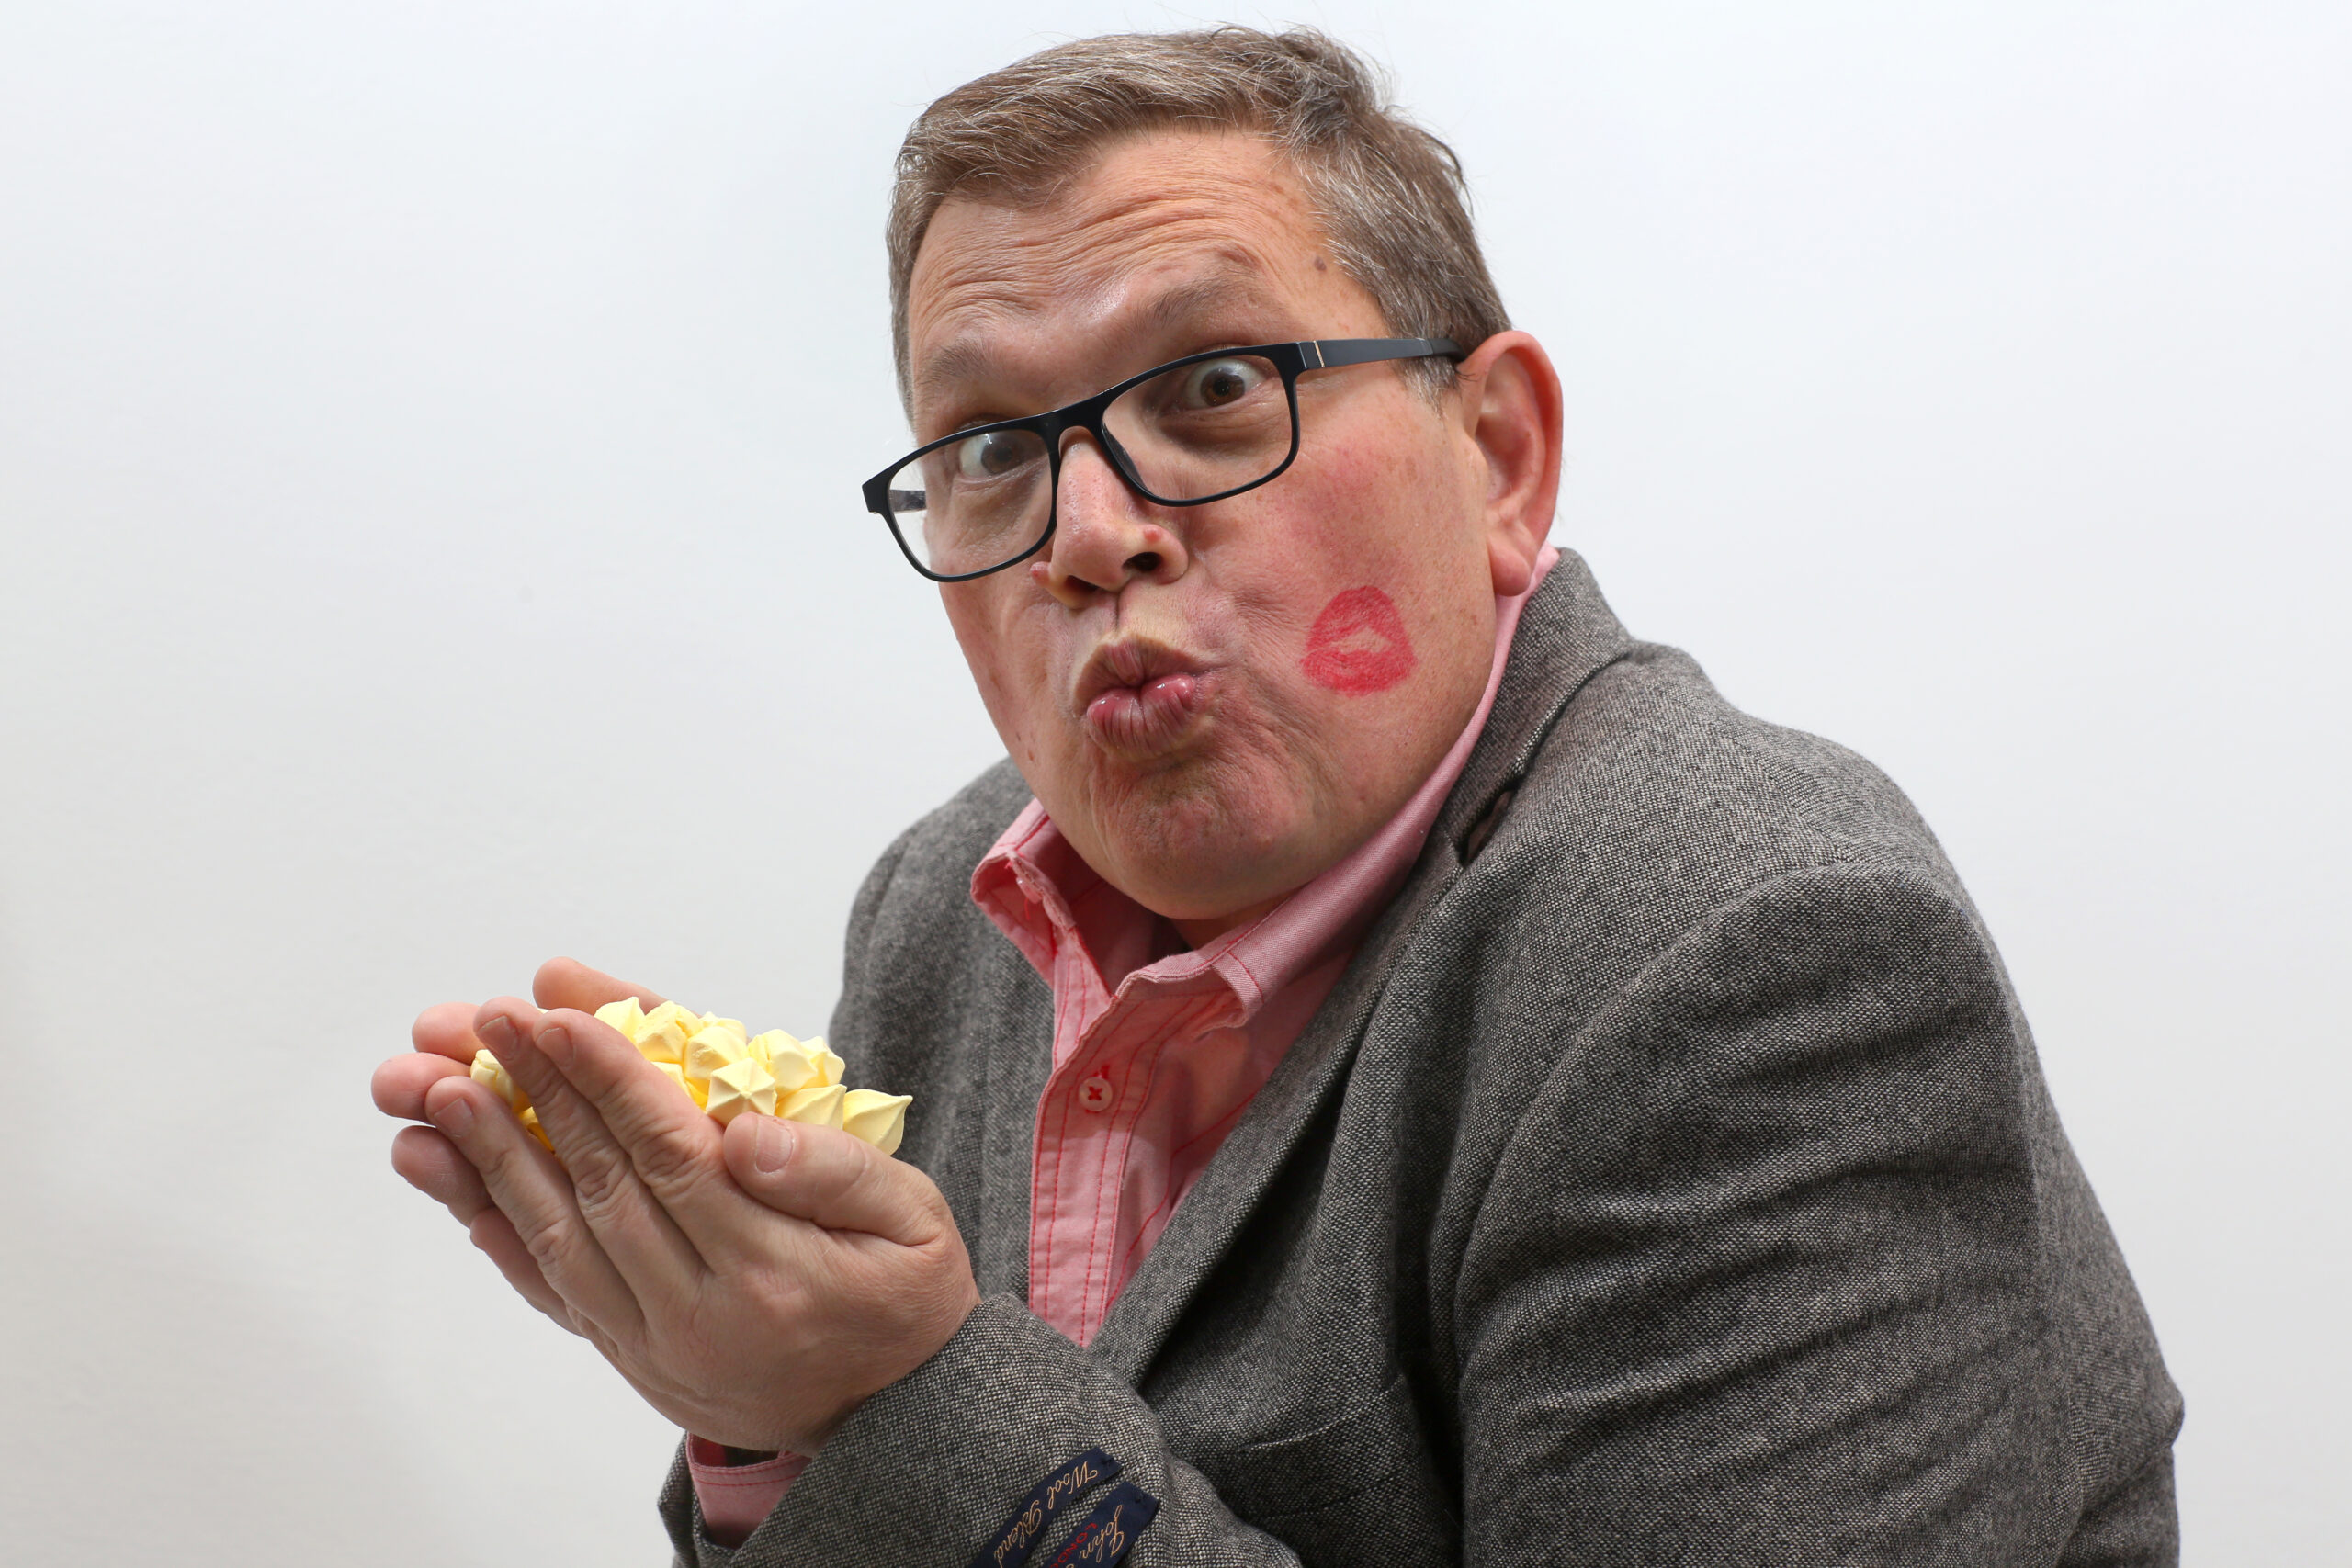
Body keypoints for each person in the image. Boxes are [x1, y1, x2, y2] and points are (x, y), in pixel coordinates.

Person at [371, 27, 2181, 1567]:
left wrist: (895, 1397)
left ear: (1499, 457)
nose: (1089, 535)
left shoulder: (1751, 948)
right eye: (991, 446)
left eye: (1218, 389)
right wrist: (763, 1418)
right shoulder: (942, 909)